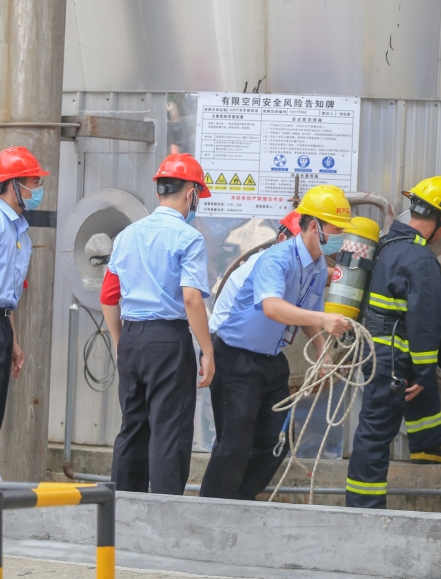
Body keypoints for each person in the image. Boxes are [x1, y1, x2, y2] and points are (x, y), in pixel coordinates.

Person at [200, 187, 352, 500]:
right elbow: (272, 307)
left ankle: (240, 501)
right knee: (234, 444)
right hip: (236, 359)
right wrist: (324, 319)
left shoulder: (316, 266)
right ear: (315, 227)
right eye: (337, 229)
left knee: (275, 442)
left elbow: (307, 313)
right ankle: (213, 509)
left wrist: (322, 352)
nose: (341, 236)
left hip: (270, 361)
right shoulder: (277, 259)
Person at [346, 176, 441, 508]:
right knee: (376, 430)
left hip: (377, 347)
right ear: (440, 220)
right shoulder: (421, 258)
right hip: (391, 354)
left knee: (416, 384)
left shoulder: (388, 244)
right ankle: (363, 508)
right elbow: (425, 321)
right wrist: (425, 372)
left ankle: (427, 445)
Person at [100, 153, 215, 494]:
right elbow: (191, 298)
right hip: (168, 341)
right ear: (191, 193)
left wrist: (121, 342)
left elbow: (108, 295)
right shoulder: (189, 238)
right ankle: (165, 515)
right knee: (169, 432)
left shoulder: (126, 235)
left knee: (132, 429)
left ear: (159, 190)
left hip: (132, 338)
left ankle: (121, 510)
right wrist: (207, 351)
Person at [0, 147, 47, 431]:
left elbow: (8, 294)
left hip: (3, 323)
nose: (39, 189)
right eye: (34, 182)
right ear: (13, 184)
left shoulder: (19, 229)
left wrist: (13, 339)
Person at [208, 210, 300, 336]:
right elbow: (272, 309)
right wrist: (322, 318)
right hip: (226, 338)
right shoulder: (268, 265)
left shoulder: (290, 265)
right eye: (299, 245)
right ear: (281, 239)